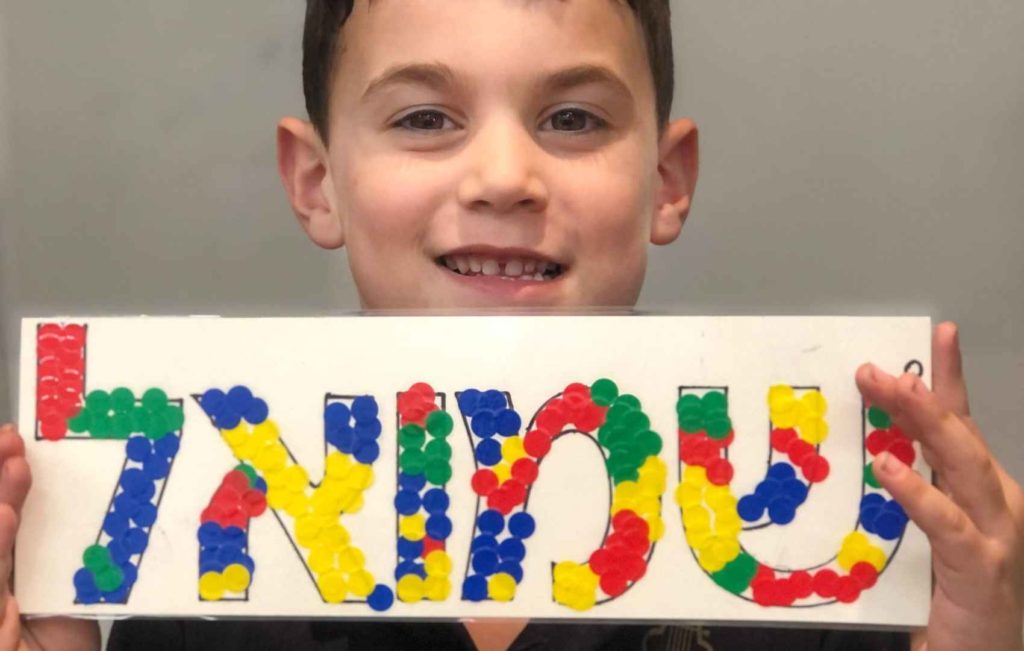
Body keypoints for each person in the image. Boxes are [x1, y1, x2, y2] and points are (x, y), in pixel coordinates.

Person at [1, 1, 1021, 649]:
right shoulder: (193, 575)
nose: (501, 177)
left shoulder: (828, 559)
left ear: (667, 181)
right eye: (424, 118)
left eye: (572, 118)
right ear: (317, 182)